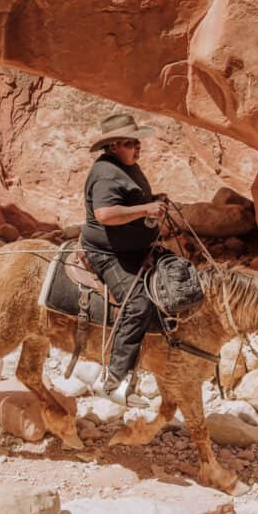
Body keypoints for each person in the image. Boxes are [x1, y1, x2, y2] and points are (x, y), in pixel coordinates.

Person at [80, 113, 167, 404]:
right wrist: (145, 210)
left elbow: (132, 199)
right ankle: (114, 381)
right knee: (137, 303)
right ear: (114, 145)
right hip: (108, 253)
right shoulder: (106, 173)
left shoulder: (127, 166)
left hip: (134, 248)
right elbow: (105, 214)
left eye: (137, 142)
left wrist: (153, 202)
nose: (138, 147)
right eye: (131, 143)